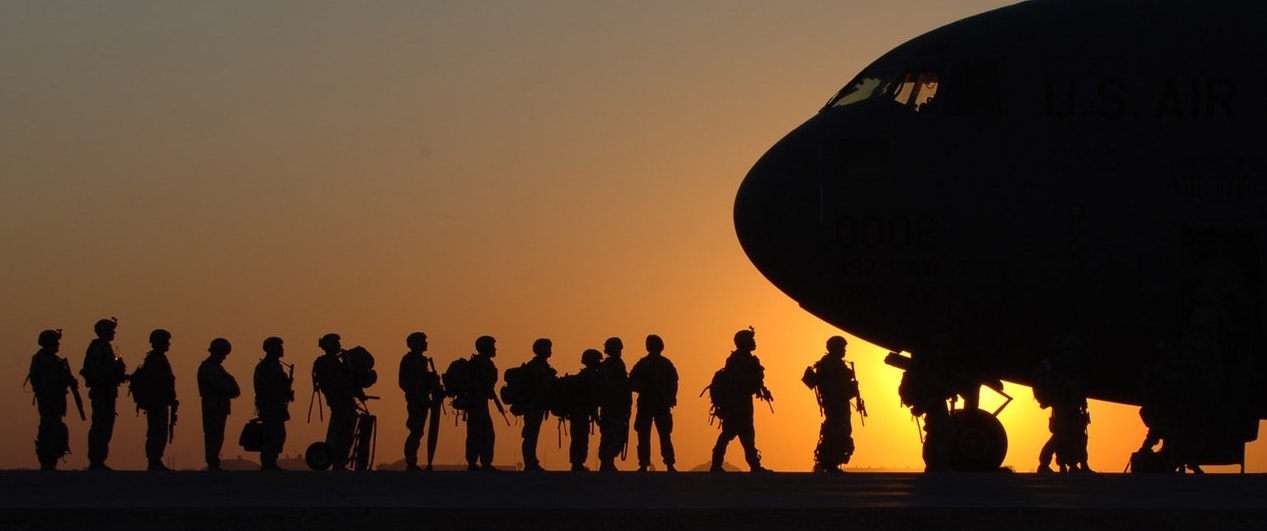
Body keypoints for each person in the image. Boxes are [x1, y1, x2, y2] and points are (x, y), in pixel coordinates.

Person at [710, 328, 772, 473]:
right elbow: (740, 382)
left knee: (746, 435)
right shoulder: (738, 360)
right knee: (731, 434)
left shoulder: (746, 359)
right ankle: (717, 464)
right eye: (751, 340)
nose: (754, 342)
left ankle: (753, 465)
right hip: (736, 403)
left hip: (742, 403)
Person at [1034, 335, 1091, 473]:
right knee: (1071, 435)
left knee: (1068, 435)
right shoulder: (1068, 361)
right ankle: (1060, 463)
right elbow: (1075, 383)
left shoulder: (1055, 362)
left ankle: (1069, 464)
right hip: (1067, 403)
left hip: (1061, 403)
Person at [805, 336, 860, 472]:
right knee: (836, 431)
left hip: (838, 403)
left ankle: (831, 462)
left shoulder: (833, 363)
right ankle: (828, 462)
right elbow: (833, 387)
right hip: (835, 404)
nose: (844, 351)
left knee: (840, 431)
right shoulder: (831, 364)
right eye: (842, 348)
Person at [28, 329, 78, 470]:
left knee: (53, 428)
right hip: (50, 400)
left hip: (54, 400)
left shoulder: (50, 359)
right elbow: (48, 382)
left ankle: (51, 458)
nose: (58, 344)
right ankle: (47, 459)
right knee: (48, 429)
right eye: (55, 341)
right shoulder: (45, 360)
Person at [81, 318, 127, 471]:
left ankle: (99, 459)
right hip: (101, 392)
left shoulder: (105, 348)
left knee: (106, 426)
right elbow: (96, 373)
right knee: (100, 426)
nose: (113, 333)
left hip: (107, 392)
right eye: (111, 330)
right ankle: (96, 460)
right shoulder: (97, 348)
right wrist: (115, 369)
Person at [628, 334, 678, 472]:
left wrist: (670, 397)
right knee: (648, 435)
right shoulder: (651, 364)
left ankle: (666, 463)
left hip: (658, 404)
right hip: (649, 404)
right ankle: (649, 463)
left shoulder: (658, 364)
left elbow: (673, 382)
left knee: (662, 435)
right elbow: (631, 382)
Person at [312, 333, 358, 471]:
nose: (339, 345)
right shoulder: (328, 363)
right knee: (341, 433)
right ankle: (338, 463)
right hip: (339, 402)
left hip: (342, 401)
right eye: (336, 343)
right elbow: (341, 381)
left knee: (344, 432)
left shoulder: (333, 361)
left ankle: (339, 462)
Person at [399, 332, 443, 471]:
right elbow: (406, 383)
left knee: (418, 431)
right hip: (416, 400)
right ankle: (411, 462)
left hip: (422, 399)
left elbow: (424, 380)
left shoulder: (422, 360)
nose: (426, 343)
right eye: (423, 341)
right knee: (416, 430)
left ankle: (412, 461)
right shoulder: (410, 360)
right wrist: (420, 394)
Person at [135, 329, 178, 471]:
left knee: (160, 431)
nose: (169, 344)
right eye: (166, 341)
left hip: (160, 400)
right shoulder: (155, 359)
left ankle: (155, 460)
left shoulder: (158, 358)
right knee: (156, 431)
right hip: (156, 401)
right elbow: (157, 380)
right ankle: (154, 460)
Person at [198, 337, 240, 471]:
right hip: (213, 407)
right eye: (223, 354)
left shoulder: (216, 368)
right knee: (213, 435)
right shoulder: (209, 368)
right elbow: (221, 387)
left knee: (217, 435)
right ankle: (212, 462)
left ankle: (214, 461)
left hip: (218, 406)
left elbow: (233, 388)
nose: (224, 357)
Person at [254, 336, 294, 471]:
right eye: (279, 346)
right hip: (271, 405)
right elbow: (271, 387)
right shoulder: (268, 367)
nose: (282, 349)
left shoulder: (271, 365)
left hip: (274, 405)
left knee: (276, 433)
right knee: (273, 434)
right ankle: (268, 462)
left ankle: (270, 462)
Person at [518, 338, 557, 471]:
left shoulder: (542, 366)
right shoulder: (536, 367)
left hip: (538, 405)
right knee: (530, 434)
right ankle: (530, 462)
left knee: (533, 433)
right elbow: (538, 387)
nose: (550, 350)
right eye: (547, 347)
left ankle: (531, 461)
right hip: (533, 406)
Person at [465, 335, 501, 470]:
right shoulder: (482, 363)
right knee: (485, 433)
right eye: (492, 346)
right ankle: (483, 462)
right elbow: (484, 382)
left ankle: (474, 462)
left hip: (478, 402)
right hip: (477, 402)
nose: (495, 349)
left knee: (475, 433)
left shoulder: (477, 362)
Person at [597, 337, 632, 471]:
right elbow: (617, 386)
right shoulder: (611, 365)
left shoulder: (613, 364)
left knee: (612, 434)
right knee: (611, 434)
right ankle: (607, 462)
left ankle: (607, 462)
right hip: (613, 406)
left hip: (615, 406)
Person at [565, 349, 603, 471]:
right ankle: (577, 463)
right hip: (580, 413)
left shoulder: (584, 375)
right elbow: (591, 398)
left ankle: (576, 463)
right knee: (580, 438)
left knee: (578, 438)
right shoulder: (590, 377)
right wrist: (597, 418)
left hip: (578, 412)